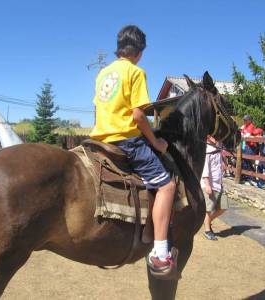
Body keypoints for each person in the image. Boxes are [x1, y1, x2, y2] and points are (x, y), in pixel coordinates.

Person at [90, 25, 176, 273]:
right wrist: (156, 142)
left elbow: (98, 108)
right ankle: (160, 254)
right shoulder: (136, 72)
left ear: (119, 48)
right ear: (139, 52)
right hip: (126, 140)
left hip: (100, 139)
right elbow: (139, 116)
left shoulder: (103, 74)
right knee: (167, 186)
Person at [201, 136, 229, 240]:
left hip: (219, 183)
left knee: (223, 206)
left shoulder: (219, 147)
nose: (216, 139)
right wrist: (207, 184)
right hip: (209, 184)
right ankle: (207, 230)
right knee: (209, 209)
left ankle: (207, 222)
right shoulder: (207, 150)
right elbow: (205, 168)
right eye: (213, 137)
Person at [240, 114, 257, 181]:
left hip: (251, 146)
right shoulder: (245, 126)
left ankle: (252, 178)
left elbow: (247, 135)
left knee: (249, 161)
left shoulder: (251, 126)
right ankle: (246, 176)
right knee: (244, 161)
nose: (244, 121)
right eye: (244, 120)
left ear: (249, 120)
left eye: (246, 120)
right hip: (246, 145)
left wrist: (242, 134)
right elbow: (240, 132)